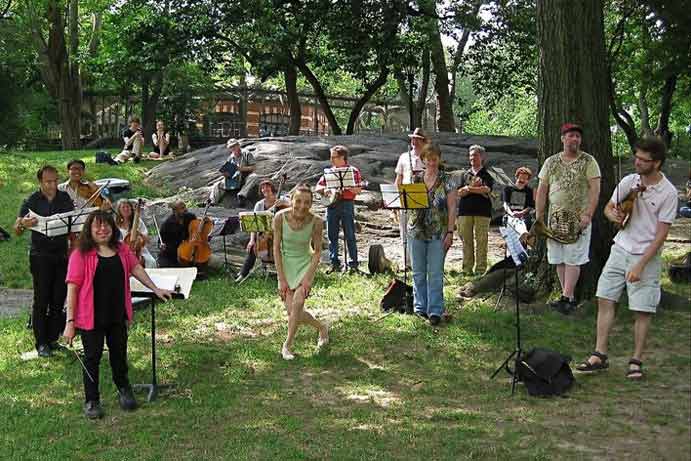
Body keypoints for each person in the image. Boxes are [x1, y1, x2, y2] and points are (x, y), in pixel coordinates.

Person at [575, 137, 677, 380]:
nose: (638, 162)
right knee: (605, 298)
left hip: (646, 254)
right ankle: (599, 355)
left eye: (644, 160)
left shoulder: (668, 192)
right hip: (620, 249)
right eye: (637, 157)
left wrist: (641, 265)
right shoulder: (629, 181)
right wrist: (615, 217)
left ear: (657, 163)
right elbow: (609, 208)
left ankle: (636, 361)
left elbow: (662, 234)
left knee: (642, 310)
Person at [63, 210, 173, 419]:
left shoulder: (121, 249)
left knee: (119, 355)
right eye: (97, 226)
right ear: (90, 230)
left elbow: (137, 269)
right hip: (91, 317)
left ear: (113, 228)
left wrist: (155, 289)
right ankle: (92, 400)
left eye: (106, 225)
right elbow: (72, 288)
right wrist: (70, 322)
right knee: (92, 358)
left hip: (117, 314)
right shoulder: (80, 255)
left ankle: (124, 390)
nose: (102, 229)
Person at [535, 123, 601, 314]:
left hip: (578, 219)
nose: (575, 139)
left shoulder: (589, 161)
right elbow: (542, 190)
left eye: (578, 137)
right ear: (563, 138)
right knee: (558, 259)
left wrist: (588, 214)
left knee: (573, 257)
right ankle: (568, 298)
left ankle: (565, 297)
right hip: (554, 220)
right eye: (571, 136)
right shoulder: (551, 162)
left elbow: (595, 190)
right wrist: (539, 216)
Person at [14, 165, 75, 357]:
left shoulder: (64, 198)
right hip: (40, 256)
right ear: (40, 182)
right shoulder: (32, 200)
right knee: (41, 299)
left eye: (56, 180)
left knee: (58, 298)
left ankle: (52, 339)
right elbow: (16, 228)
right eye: (49, 181)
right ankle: (40, 342)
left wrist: (74, 249)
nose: (53, 185)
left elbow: (72, 225)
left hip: (61, 254)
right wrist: (23, 223)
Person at [273, 184, 328, 360]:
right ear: (291, 201)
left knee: (297, 305)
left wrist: (308, 279)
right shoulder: (279, 218)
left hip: (305, 264)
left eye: (307, 202)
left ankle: (287, 345)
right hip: (286, 265)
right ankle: (321, 327)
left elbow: (318, 251)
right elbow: (276, 249)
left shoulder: (317, 222)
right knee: (293, 313)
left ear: (311, 204)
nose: (302, 206)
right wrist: (281, 278)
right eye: (298, 201)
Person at [408, 143, 457, 326]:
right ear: (423, 160)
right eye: (428, 159)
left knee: (435, 273)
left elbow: (452, 208)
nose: (431, 162)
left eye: (434, 159)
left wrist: (450, 232)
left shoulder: (447, 179)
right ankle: (420, 307)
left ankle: (435, 310)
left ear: (439, 159)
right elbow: (408, 203)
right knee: (418, 272)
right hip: (416, 231)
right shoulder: (416, 179)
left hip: (438, 233)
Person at [315, 145, 362, 273]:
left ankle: (353, 264)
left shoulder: (353, 171)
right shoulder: (329, 172)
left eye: (333, 157)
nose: (331, 159)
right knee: (332, 234)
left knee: (350, 234)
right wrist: (326, 190)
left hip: (347, 203)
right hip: (332, 205)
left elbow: (358, 190)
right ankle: (334, 262)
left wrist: (348, 187)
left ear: (342, 157)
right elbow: (317, 188)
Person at [235, 180, 286, 282]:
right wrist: (252, 240)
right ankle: (243, 273)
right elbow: (254, 225)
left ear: (272, 188)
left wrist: (285, 203)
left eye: (267, 186)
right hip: (264, 234)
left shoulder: (282, 199)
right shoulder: (259, 204)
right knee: (253, 247)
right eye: (262, 188)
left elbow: (294, 206)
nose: (265, 189)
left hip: (281, 234)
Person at [456, 144, 494, 275]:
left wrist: (469, 189)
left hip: (482, 212)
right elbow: (459, 192)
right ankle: (467, 269)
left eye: (475, 155)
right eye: (470, 155)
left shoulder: (487, 174)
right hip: (464, 211)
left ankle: (480, 270)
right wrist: (473, 187)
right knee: (466, 241)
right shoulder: (464, 174)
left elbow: (487, 189)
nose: (472, 158)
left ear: (482, 157)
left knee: (482, 241)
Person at [394, 128, 427, 268]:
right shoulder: (403, 157)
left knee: (422, 231)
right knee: (405, 231)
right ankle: (407, 263)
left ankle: (421, 261)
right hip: (406, 198)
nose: (414, 141)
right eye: (413, 138)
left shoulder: (428, 157)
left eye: (418, 139)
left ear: (423, 141)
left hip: (423, 198)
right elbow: (398, 179)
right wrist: (397, 200)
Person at [209, 138, 257, 207]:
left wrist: (241, 169)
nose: (233, 148)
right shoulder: (230, 157)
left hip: (245, 177)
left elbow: (254, 167)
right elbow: (228, 171)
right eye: (231, 147)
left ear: (238, 145)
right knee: (217, 184)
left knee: (254, 176)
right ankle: (212, 202)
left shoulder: (247, 153)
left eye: (234, 145)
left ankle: (241, 195)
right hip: (234, 179)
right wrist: (225, 173)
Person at [115, 199, 157, 268]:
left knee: (151, 262)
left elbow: (147, 239)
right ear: (119, 210)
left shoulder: (138, 221)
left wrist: (138, 233)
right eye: (123, 207)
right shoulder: (116, 224)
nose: (126, 209)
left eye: (128, 207)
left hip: (139, 251)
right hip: (122, 251)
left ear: (131, 209)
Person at [157, 200, 197, 267]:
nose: (185, 210)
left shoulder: (191, 217)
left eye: (185, 207)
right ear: (174, 211)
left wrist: (204, 222)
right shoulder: (167, 224)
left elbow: (197, 229)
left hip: (189, 248)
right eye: (182, 208)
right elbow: (160, 242)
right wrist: (161, 246)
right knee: (164, 264)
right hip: (173, 251)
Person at [502, 166, 535, 233]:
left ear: (528, 180)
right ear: (516, 177)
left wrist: (521, 213)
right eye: (521, 178)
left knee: (526, 223)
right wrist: (511, 214)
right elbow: (505, 204)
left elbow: (530, 206)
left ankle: (524, 236)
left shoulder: (529, 191)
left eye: (525, 179)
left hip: (523, 216)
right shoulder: (508, 189)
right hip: (510, 215)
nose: (522, 180)